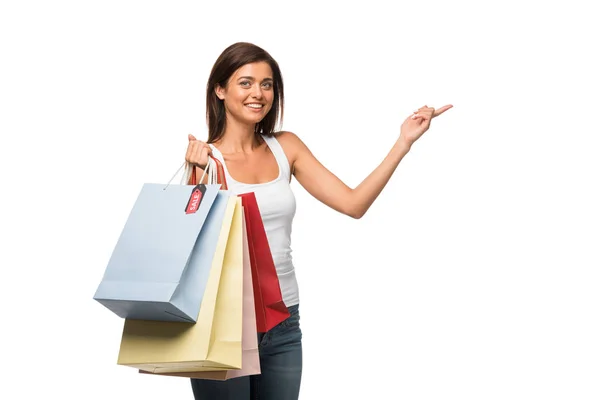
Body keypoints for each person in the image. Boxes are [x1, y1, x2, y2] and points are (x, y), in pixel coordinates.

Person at [184, 42, 452, 400]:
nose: (258, 93)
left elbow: (353, 203)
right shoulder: (205, 159)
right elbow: (189, 247)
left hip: (283, 320)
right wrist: (200, 176)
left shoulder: (286, 146)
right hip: (224, 320)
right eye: (245, 82)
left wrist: (403, 143)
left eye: (267, 84)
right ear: (220, 89)